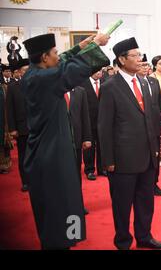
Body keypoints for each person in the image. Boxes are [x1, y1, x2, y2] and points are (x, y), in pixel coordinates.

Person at [22, 32, 110, 250]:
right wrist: (96, 45)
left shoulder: (36, 73)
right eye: (54, 53)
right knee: (57, 205)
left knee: (67, 201)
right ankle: (59, 242)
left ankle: (68, 239)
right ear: (44, 57)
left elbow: (62, 63)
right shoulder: (43, 79)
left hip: (52, 149)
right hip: (49, 154)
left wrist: (80, 47)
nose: (57, 56)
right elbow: (71, 70)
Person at [98, 37, 161, 250]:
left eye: (140, 54)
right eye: (135, 56)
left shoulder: (145, 83)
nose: (140, 59)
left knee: (146, 202)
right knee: (122, 205)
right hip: (123, 160)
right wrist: (107, 160)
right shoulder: (110, 87)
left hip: (147, 156)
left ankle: (144, 236)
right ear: (121, 59)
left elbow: (149, 117)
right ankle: (123, 241)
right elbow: (104, 126)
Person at [138, 56, 161, 196]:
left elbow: (160, 103)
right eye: (142, 65)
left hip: (155, 123)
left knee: (155, 155)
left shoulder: (153, 81)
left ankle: (154, 183)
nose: (145, 67)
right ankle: (142, 185)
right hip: (140, 126)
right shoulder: (134, 83)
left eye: (146, 65)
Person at [65, 86, 92, 215]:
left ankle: (77, 204)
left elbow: (85, 115)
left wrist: (86, 138)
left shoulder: (80, 91)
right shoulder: (52, 88)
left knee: (76, 174)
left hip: (76, 139)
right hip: (57, 141)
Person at [6, 58, 30, 191]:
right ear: (19, 72)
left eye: (29, 70)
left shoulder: (36, 84)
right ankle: (25, 181)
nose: (27, 72)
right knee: (24, 156)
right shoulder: (13, 87)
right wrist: (12, 128)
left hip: (38, 127)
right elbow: (9, 109)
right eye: (25, 70)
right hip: (22, 129)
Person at [81, 70, 105, 180]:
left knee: (103, 145)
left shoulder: (106, 82)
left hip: (103, 120)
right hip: (88, 120)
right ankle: (89, 170)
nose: (99, 73)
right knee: (89, 147)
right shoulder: (82, 83)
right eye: (96, 70)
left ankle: (102, 168)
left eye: (101, 70)